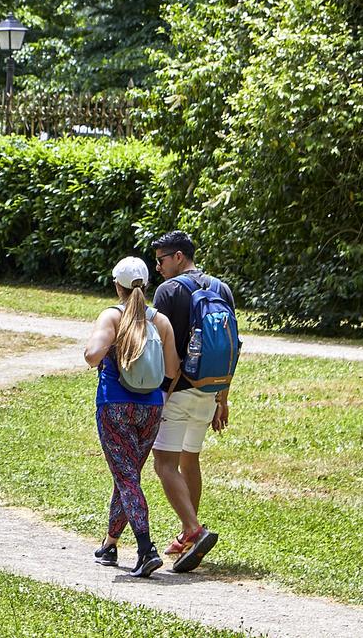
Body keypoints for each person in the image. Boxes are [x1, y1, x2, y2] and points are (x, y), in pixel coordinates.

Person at [84, 255, 179, 579]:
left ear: (117, 285)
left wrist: (104, 348)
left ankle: (145, 550)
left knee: (127, 479)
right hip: (151, 408)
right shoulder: (160, 321)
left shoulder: (112, 316)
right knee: (128, 478)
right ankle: (110, 544)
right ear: (145, 285)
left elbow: (92, 355)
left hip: (115, 406)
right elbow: (171, 370)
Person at [149, 229, 235, 573]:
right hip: (210, 388)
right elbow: (231, 344)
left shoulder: (168, 291)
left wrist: (158, 395)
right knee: (190, 460)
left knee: (164, 465)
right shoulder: (221, 288)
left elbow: (160, 347)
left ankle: (194, 529)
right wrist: (223, 397)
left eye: (161, 260)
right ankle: (187, 535)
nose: (158, 267)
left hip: (179, 391)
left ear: (179, 257)